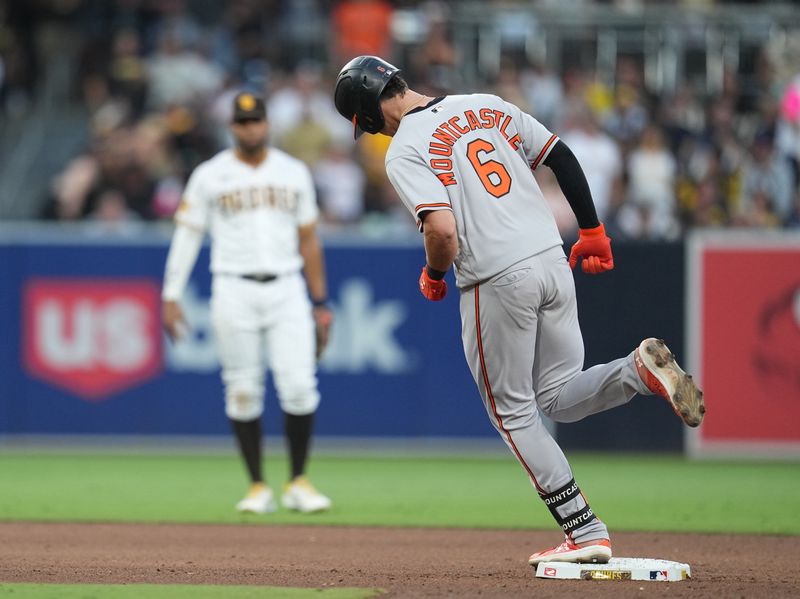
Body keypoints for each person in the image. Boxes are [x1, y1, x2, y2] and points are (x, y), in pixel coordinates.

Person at [333, 56, 705, 565]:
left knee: (511, 411)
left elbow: (441, 231)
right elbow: (561, 155)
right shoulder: (483, 104)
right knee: (556, 395)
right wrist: (593, 230)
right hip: (552, 261)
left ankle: (583, 529)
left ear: (367, 114)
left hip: (496, 277)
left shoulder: (404, 150)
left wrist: (434, 274)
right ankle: (637, 372)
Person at [161, 92, 333, 514]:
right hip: (233, 287)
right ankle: (257, 485)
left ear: (267, 124)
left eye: (255, 120)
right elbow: (188, 234)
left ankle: (297, 480)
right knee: (241, 388)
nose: (249, 128)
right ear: (232, 126)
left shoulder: (292, 172)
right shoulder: (209, 174)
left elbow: (309, 240)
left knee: (299, 387)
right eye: (242, 122)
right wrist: (170, 293)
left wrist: (320, 301)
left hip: (287, 285)